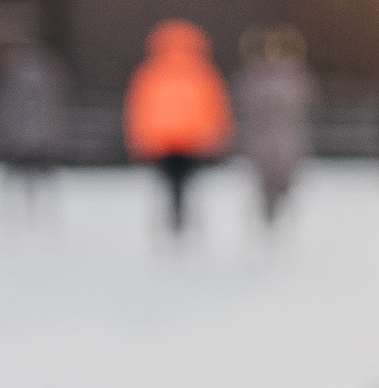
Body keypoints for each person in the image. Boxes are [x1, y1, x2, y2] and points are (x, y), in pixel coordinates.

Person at [122, 17, 233, 239]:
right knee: (187, 186)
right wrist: (217, 135)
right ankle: (183, 223)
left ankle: (173, 223)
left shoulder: (150, 73)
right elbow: (214, 108)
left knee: (170, 187)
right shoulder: (203, 73)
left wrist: (139, 138)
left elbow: (139, 108)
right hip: (193, 140)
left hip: (161, 141)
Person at [236, 26, 317, 230]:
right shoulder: (253, 79)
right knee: (264, 183)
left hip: (287, 141)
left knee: (284, 182)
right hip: (261, 141)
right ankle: (266, 219)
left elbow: (304, 108)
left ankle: (282, 220)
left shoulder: (295, 79)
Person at [0, 33, 68, 209]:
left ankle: (22, 209)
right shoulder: (48, 72)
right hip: (35, 136)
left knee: (22, 175)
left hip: (22, 136)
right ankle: (38, 209)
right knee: (36, 175)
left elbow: (5, 106)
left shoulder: (14, 73)